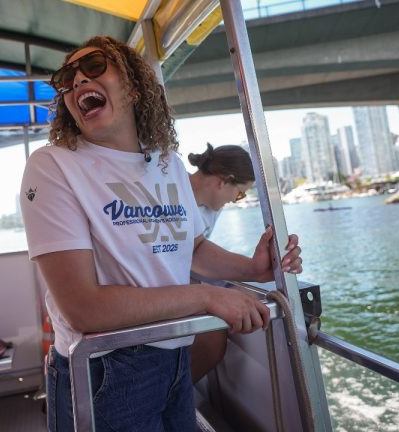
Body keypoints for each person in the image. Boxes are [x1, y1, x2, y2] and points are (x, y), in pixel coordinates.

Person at [20, 35, 302, 431]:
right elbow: (83, 309)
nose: (79, 81)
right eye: (68, 77)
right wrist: (208, 296)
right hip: (104, 367)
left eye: (95, 66)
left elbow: (192, 248)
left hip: (175, 352)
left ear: (134, 86)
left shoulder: (165, 160)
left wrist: (254, 269)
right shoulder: (53, 166)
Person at [187, 143, 303, 383]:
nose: (235, 200)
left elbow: (194, 253)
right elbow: (188, 256)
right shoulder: (171, 190)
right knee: (212, 340)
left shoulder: (209, 207)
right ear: (224, 180)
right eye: (239, 193)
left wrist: (258, 270)